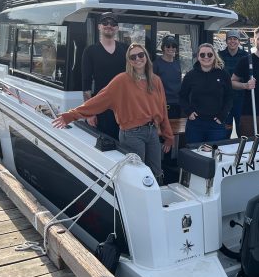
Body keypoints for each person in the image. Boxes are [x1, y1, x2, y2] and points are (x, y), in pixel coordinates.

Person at [53, 43, 174, 181]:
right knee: (138, 174)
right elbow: (98, 101)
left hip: (152, 131)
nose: (138, 59)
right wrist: (70, 115)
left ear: (146, 57)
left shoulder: (156, 81)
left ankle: (155, 200)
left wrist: (168, 136)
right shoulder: (122, 80)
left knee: (156, 171)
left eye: (141, 55)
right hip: (132, 134)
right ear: (129, 61)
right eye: (133, 57)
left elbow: (163, 109)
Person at [81, 12, 127, 139]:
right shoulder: (90, 51)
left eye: (112, 23)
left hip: (124, 108)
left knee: (125, 147)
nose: (109, 25)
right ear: (99, 26)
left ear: (117, 28)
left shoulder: (126, 50)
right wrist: (89, 113)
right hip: (100, 108)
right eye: (105, 23)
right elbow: (86, 83)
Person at [179, 43, 233, 144]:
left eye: (209, 54)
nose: (206, 57)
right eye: (202, 55)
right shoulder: (190, 75)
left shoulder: (223, 74)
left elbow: (229, 97)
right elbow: (182, 96)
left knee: (213, 156)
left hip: (216, 124)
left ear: (214, 56)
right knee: (194, 155)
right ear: (198, 57)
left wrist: (223, 115)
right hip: (195, 124)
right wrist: (188, 112)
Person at [218, 30, 248, 137]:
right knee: (226, 129)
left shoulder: (246, 56)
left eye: (235, 39)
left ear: (239, 41)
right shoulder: (219, 56)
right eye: (230, 39)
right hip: (224, 99)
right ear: (226, 41)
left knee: (242, 130)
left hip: (241, 98)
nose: (232, 41)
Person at [153, 35, 182, 118]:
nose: (171, 48)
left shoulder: (177, 63)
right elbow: (152, 85)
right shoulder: (156, 64)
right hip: (162, 104)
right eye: (168, 46)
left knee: (175, 129)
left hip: (177, 103)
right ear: (163, 48)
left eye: (173, 46)